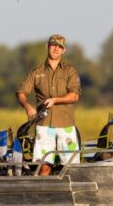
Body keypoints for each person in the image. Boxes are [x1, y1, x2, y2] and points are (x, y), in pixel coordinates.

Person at [16, 34, 81, 175]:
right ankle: (43, 193)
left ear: (64, 50)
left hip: (66, 125)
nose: (56, 48)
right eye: (53, 45)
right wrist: (27, 106)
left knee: (71, 166)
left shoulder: (70, 71)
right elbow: (21, 93)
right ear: (47, 47)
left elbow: (74, 96)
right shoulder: (36, 72)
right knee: (43, 165)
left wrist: (55, 100)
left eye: (60, 46)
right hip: (44, 125)